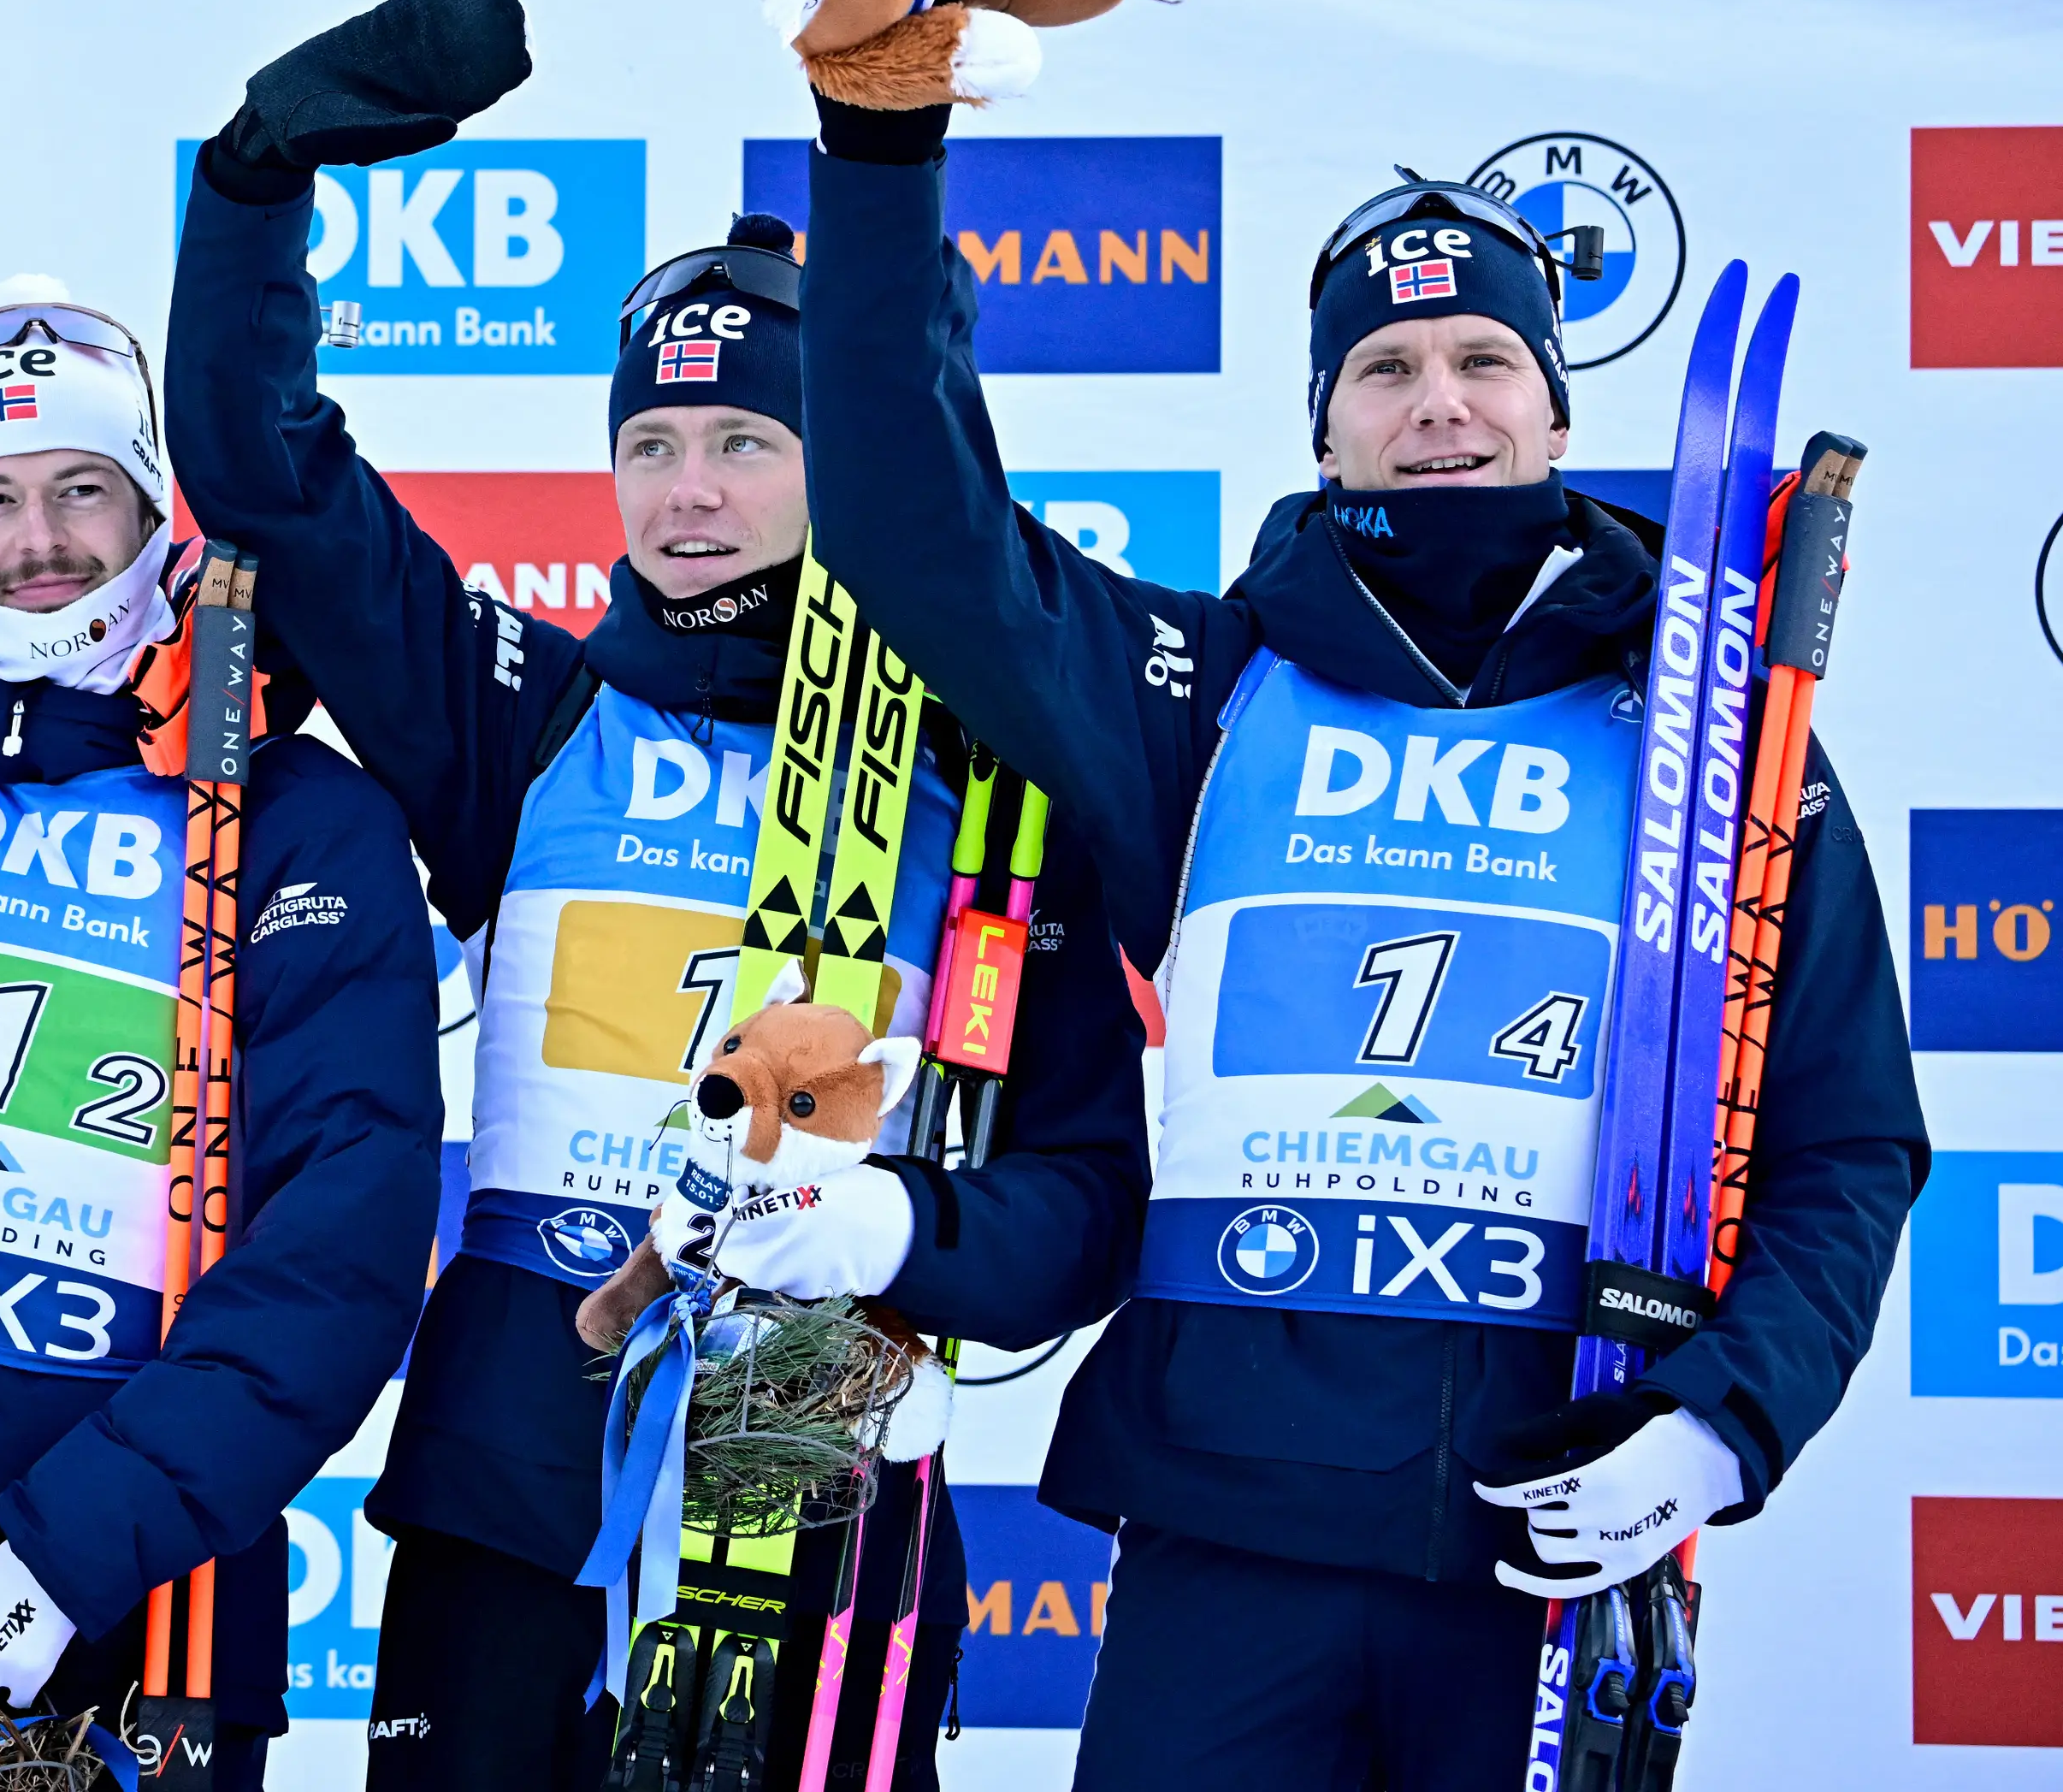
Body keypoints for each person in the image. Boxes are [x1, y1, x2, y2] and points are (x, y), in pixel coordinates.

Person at [790, 93, 1929, 1788]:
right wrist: (882, 149)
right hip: (1229, 1527)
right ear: (1325, 428)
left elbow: (1844, 1141)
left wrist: (1721, 1417)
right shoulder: (1202, 693)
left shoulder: (1709, 740)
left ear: (1554, 404)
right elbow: (912, 530)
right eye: (1384, 369)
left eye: (1483, 358)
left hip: (1553, 1520)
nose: (1438, 401)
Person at [161, 0, 1151, 1790]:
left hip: (822, 1499)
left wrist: (898, 1233)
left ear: (842, 457)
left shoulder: (993, 779)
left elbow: (1084, 1207)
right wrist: (252, 182)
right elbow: (273, 485)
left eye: (746, 443)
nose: (688, 492)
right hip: (513, 1492)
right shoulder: (525, 719)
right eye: (651, 444)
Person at [0, 280, 445, 1787]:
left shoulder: (302, 821)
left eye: (84, 487)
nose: (41, 540)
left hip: (132, 1613)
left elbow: (339, 1247)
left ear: (157, 508)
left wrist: (71, 1552)